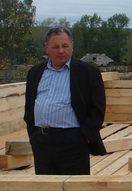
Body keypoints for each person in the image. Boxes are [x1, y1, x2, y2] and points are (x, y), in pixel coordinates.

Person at [24, 26, 107, 175]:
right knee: (46, 190)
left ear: (72, 46)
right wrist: (34, 135)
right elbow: (29, 107)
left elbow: (97, 110)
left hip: (73, 142)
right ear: (47, 48)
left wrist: (83, 137)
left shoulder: (88, 73)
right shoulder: (35, 73)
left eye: (65, 46)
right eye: (55, 47)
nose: (61, 51)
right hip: (42, 143)